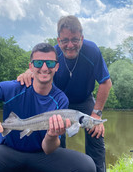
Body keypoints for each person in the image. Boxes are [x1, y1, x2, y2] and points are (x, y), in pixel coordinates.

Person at [0, 43, 96, 172]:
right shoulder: (12, 88)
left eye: (50, 63)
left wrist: (51, 135)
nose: (44, 68)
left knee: (86, 165)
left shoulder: (61, 99)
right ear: (31, 66)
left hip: (42, 155)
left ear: (57, 67)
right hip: (7, 151)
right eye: (38, 63)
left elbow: (48, 148)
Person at [17, 16, 112, 172]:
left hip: (84, 100)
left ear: (82, 38)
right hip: (59, 102)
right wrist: (29, 72)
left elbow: (105, 82)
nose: (70, 45)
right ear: (58, 40)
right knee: (55, 137)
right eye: (65, 40)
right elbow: (40, 66)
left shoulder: (92, 50)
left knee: (96, 131)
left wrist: (97, 114)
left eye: (75, 40)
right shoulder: (53, 54)